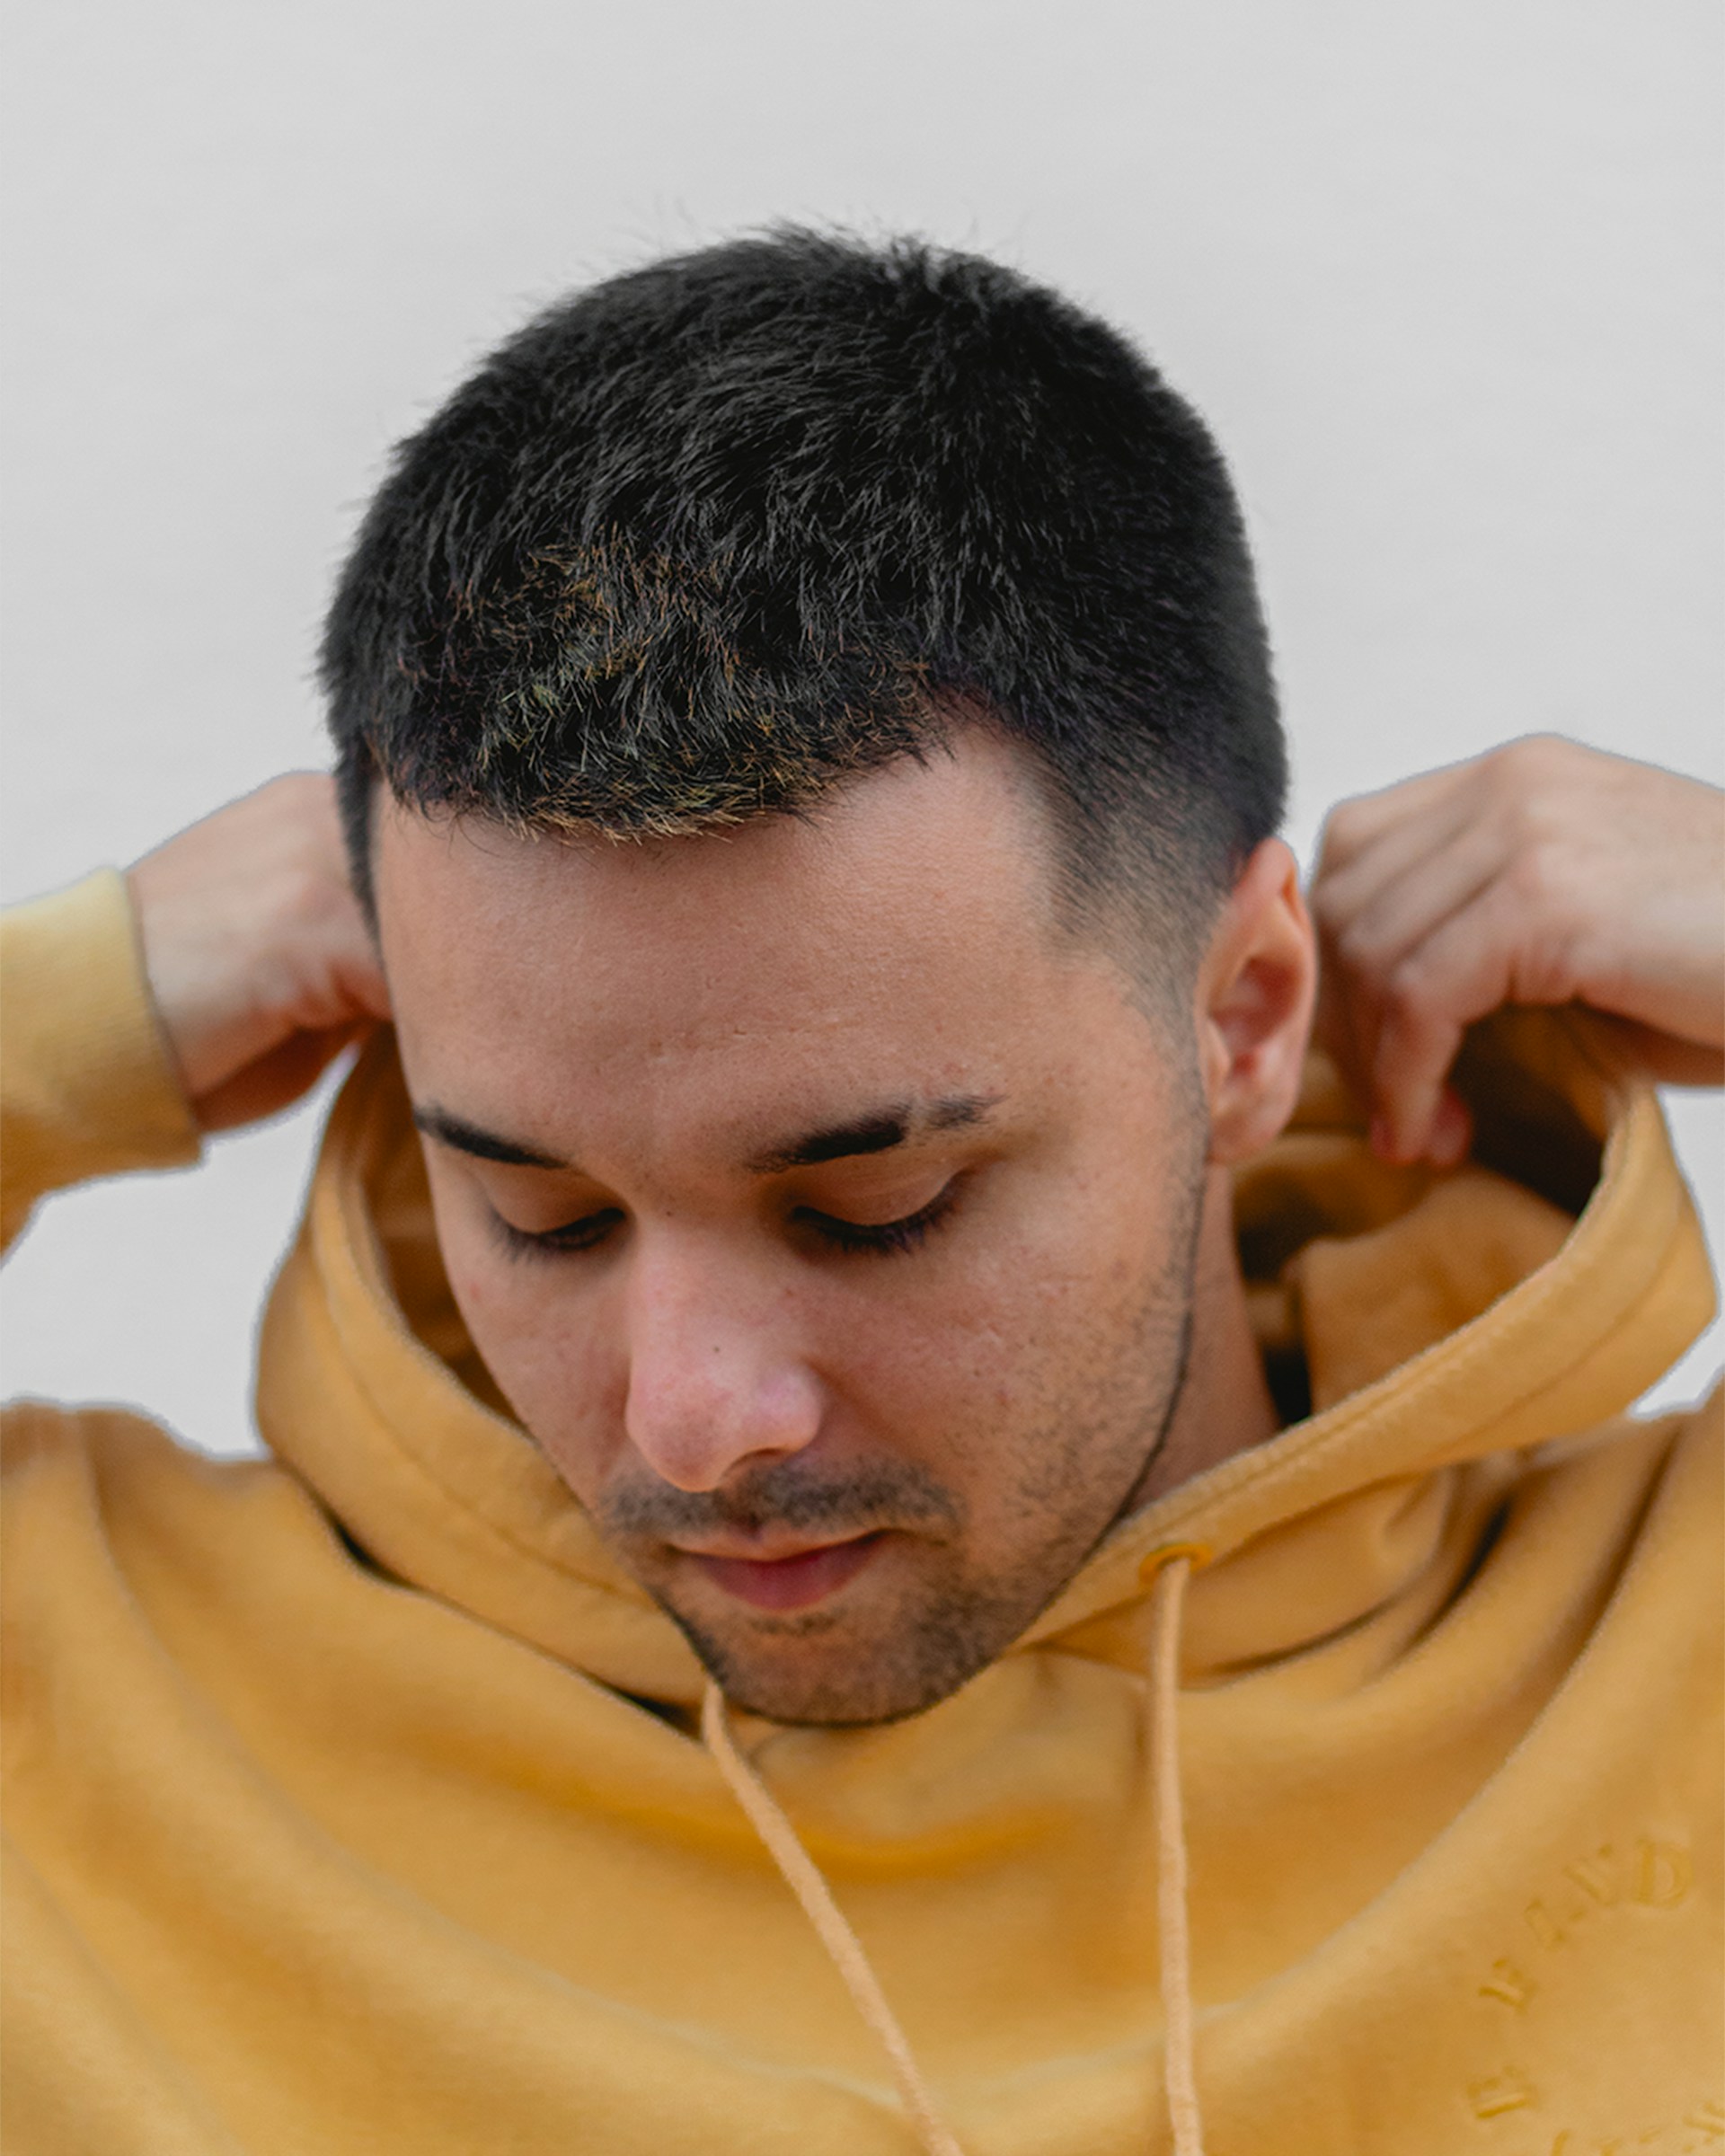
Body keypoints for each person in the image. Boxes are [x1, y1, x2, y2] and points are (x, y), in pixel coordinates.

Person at [2, 232, 1718, 2156]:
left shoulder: (1674, 1652)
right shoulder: (81, 1706)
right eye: (544, 1215)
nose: (694, 1424)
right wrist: (73, 1007)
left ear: (1243, 1023)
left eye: (875, 1203)